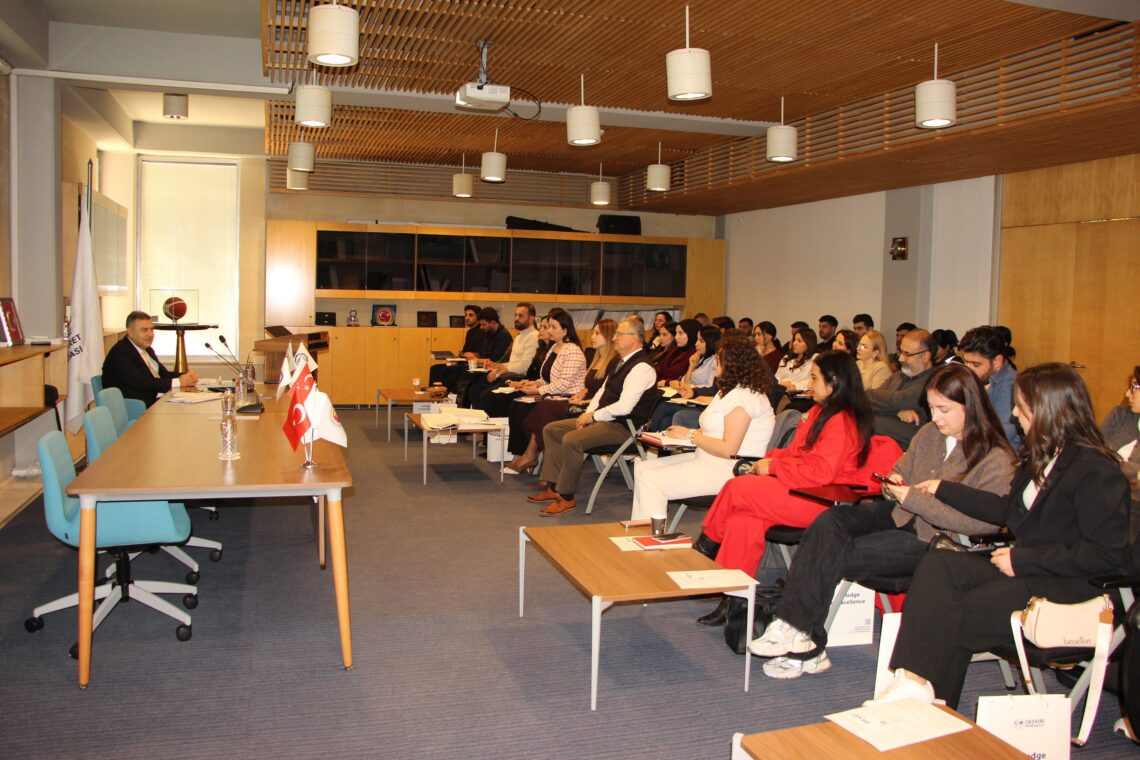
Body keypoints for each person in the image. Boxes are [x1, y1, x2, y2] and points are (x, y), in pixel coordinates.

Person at [871, 363, 1131, 710]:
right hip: (1029, 570)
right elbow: (1005, 511)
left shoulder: (1095, 470)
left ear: (1048, 410)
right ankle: (916, 682)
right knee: (939, 565)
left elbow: (1105, 554)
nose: (1014, 413)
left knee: (957, 610)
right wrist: (945, 489)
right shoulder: (1041, 457)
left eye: (1022, 406)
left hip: (1068, 585)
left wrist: (1023, 561)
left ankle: (930, 702)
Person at [749, 364, 1016, 679]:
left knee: (836, 553)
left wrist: (914, 499)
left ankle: (803, 638)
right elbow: (903, 466)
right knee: (830, 522)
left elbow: (980, 524)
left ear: (971, 407)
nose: (936, 418)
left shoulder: (996, 457)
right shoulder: (930, 433)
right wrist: (893, 480)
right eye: (931, 408)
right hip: (901, 514)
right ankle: (797, 630)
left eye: (944, 409)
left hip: (937, 540)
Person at [691, 351, 889, 600]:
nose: (809, 384)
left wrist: (773, 468)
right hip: (802, 489)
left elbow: (820, 474)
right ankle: (734, 602)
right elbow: (798, 452)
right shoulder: (820, 411)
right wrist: (772, 459)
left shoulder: (843, 421)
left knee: (738, 488)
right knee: (743, 520)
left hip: (823, 501)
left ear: (834, 382)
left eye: (814, 378)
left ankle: (703, 550)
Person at [631, 334, 775, 520]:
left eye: (718, 358)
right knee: (644, 468)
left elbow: (729, 449)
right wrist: (683, 435)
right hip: (709, 460)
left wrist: (691, 436)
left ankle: (650, 540)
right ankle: (639, 532)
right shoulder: (729, 391)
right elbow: (715, 431)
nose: (714, 363)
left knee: (651, 480)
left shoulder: (743, 397)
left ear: (733, 364)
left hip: (730, 470)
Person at [529, 316, 659, 516]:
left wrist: (593, 417)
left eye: (619, 334)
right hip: (605, 420)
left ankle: (566, 497)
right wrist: (589, 413)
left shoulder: (642, 367)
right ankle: (553, 487)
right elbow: (602, 392)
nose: (614, 338)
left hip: (624, 428)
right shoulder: (620, 361)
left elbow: (625, 406)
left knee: (572, 440)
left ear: (634, 338)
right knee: (552, 429)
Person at [506, 320, 618, 476]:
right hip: (581, 402)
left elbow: (607, 394)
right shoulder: (597, 358)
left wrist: (584, 400)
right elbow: (589, 386)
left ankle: (534, 459)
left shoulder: (613, 362)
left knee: (544, 408)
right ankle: (537, 463)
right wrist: (582, 393)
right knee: (534, 407)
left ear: (609, 336)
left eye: (597, 333)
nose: (592, 336)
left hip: (593, 410)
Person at [102, 310, 199, 407]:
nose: (150, 334)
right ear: (130, 332)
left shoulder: (148, 350)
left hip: (155, 400)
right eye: (144, 330)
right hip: (137, 407)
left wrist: (186, 376)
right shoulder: (121, 352)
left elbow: (164, 375)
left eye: (152, 329)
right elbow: (141, 382)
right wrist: (179, 382)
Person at [868, 328, 936, 448]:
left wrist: (892, 407)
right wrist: (898, 411)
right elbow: (867, 401)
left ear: (925, 357)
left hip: (908, 447)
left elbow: (898, 400)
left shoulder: (934, 382)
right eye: (901, 352)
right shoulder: (898, 376)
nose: (901, 358)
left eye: (907, 354)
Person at [958, 325, 1020, 450]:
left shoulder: (1011, 386)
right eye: (966, 362)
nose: (968, 370)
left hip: (999, 457)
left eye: (976, 364)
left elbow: (999, 437)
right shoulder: (978, 380)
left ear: (997, 361)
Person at [651, 325, 721, 431]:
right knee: (666, 420)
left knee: (664, 406)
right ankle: (658, 442)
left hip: (702, 402)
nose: (696, 343)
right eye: (697, 340)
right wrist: (691, 366)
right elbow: (686, 382)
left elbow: (711, 389)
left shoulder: (715, 361)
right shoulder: (702, 359)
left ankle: (647, 435)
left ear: (711, 342)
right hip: (691, 398)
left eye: (701, 341)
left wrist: (693, 390)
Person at [466, 303, 538, 407]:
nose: (516, 318)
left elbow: (524, 366)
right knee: (475, 387)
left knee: (485, 394)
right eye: (516, 315)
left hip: (519, 379)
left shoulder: (534, 337)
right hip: (510, 374)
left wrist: (499, 371)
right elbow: (512, 363)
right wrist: (495, 366)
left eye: (521, 316)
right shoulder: (519, 337)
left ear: (531, 319)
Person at [1102, 365, 1140, 507]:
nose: (1127, 394)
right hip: (1102, 494)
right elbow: (1093, 454)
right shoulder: (1121, 415)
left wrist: (1111, 464)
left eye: (1135, 387)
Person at [429, 304, 481, 387]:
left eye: (471, 315)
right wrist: (457, 358)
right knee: (434, 368)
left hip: (471, 364)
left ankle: (442, 393)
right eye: (466, 315)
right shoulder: (469, 332)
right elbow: (464, 351)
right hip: (463, 362)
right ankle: (435, 394)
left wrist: (468, 356)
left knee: (445, 370)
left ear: (478, 317)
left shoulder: (482, 331)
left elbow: (480, 353)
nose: (467, 318)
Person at [655, 319, 699, 384]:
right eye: (676, 333)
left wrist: (667, 382)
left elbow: (683, 380)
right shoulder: (675, 350)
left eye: (680, 333)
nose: (676, 337)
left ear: (691, 333)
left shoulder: (695, 355)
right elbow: (660, 369)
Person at [775, 327, 817, 392]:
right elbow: (776, 379)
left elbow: (813, 380)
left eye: (799, 341)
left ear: (809, 343)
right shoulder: (786, 358)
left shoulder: (815, 358)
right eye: (794, 340)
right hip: (780, 393)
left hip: (800, 397)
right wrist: (782, 384)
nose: (794, 343)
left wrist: (794, 386)